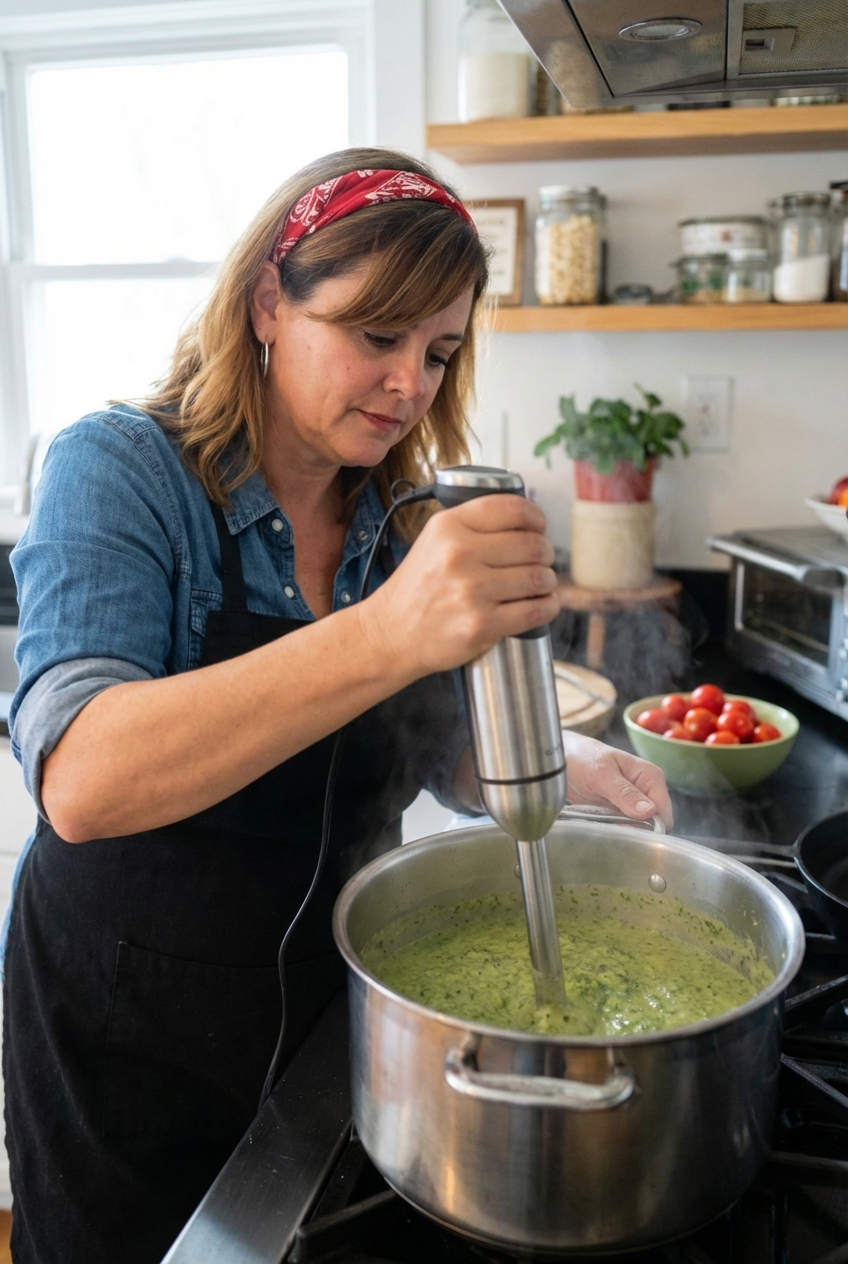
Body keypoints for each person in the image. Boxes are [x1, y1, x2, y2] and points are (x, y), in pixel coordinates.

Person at [4, 148, 672, 1264]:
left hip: (328, 1015)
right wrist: (388, 629)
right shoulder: (119, 470)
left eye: (437, 350)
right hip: (122, 1040)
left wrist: (541, 754)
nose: (408, 382)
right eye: (375, 336)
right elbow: (80, 775)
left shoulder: (394, 518)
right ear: (270, 302)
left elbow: (402, 737)